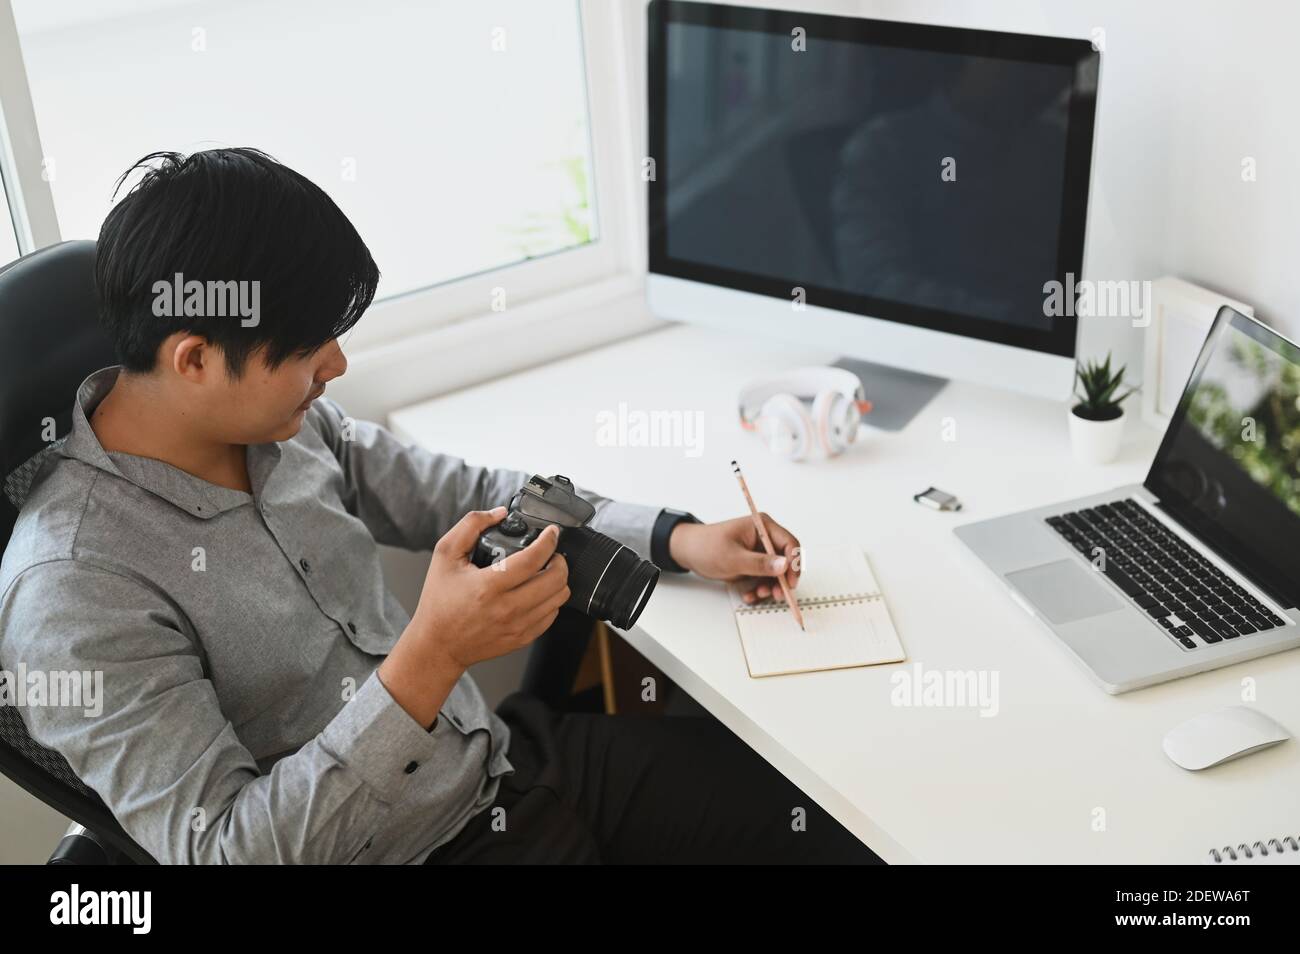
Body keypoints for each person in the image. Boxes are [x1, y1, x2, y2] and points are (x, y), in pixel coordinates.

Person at [0, 148, 879, 864]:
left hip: (503, 767)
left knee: (829, 825)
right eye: (309, 346)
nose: (336, 366)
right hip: (402, 853)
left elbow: (467, 496)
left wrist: (677, 537)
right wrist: (430, 656)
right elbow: (232, 852)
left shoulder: (281, 422)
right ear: (194, 359)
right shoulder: (73, 595)